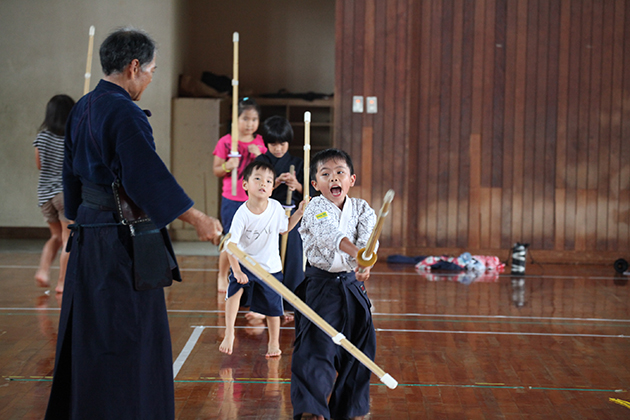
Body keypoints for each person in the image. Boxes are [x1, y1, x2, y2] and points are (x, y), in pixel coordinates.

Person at [44, 28, 223, 420]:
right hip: (119, 241)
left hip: (88, 236)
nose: (151, 79)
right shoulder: (123, 111)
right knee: (129, 335)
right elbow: (145, 177)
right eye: (151, 71)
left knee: (91, 334)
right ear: (134, 66)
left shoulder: (83, 107)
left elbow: (69, 177)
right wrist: (197, 218)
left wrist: (80, 215)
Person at [291, 148, 377, 420]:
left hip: (352, 287)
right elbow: (332, 235)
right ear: (315, 184)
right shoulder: (315, 207)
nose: (333, 178)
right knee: (317, 347)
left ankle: (351, 409)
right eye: (325, 174)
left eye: (339, 172)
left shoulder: (363, 209)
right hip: (321, 287)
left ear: (352, 179)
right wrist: (358, 256)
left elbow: (368, 242)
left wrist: (366, 264)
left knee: (361, 348)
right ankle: (312, 409)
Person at [219, 161, 304, 358]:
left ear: (272, 187)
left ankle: (273, 343)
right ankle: (229, 332)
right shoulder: (242, 214)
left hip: (270, 267)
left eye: (268, 180)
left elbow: (285, 229)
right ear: (245, 185)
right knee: (234, 292)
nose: (263, 183)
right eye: (257, 179)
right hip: (245, 265)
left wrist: (299, 212)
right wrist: (237, 271)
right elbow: (231, 246)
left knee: (275, 308)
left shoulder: (275, 207)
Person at [213, 97, 266, 293]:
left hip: (253, 199)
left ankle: (248, 277)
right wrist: (228, 165)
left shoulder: (260, 143)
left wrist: (258, 156)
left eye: (254, 119)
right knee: (230, 239)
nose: (249, 124)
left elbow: (267, 171)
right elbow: (216, 170)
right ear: (235, 119)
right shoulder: (226, 142)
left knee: (252, 240)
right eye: (245, 119)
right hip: (232, 198)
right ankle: (222, 275)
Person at [255, 116, 305, 305]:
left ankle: (291, 299)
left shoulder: (298, 163)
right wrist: (272, 184)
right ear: (266, 143)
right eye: (273, 144)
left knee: (293, 255)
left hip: (291, 214)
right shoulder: (261, 162)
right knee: (266, 256)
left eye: (282, 144)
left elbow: (309, 193)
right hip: (266, 215)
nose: (278, 148)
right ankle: (266, 298)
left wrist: (297, 185)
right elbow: (252, 190)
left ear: (288, 142)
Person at [33, 94, 75, 293]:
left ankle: (42, 271)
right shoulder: (72, 139)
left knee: (55, 237)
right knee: (68, 240)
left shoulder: (41, 137)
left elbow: (39, 165)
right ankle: (62, 283)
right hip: (65, 194)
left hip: (44, 195)